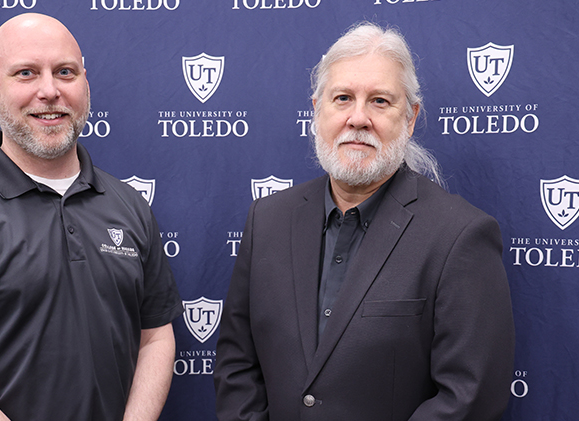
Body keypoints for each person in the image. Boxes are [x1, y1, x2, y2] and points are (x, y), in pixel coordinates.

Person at [0, 13, 182, 421]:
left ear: (85, 85)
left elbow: (155, 337)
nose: (49, 91)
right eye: (26, 73)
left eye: (65, 72)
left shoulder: (128, 205)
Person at [214, 22, 515, 421]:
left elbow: (469, 396)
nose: (358, 118)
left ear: (409, 119)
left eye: (379, 101)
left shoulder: (460, 236)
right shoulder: (266, 221)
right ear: (316, 110)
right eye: (342, 98)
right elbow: (237, 364)